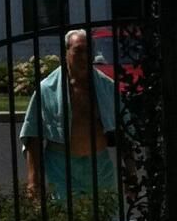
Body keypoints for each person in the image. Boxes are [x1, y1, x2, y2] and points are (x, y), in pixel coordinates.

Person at [20, 27, 119, 203]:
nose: (84, 56)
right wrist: (33, 182)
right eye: (78, 50)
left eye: (88, 51)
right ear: (66, 52)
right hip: (61, 168)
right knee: (64, 217)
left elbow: (124, 130)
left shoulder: (107, 87)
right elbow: (32, 135)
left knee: (104, 217)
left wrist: (131, 171)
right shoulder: (46, 90)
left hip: (99, 166)